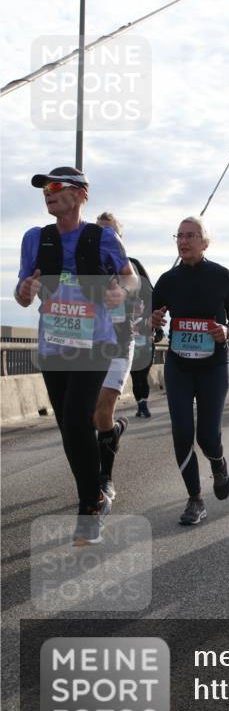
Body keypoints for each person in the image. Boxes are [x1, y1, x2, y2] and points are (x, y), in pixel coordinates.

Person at [15, 167, 137, 545]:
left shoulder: (103, 239)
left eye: (55, 187)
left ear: (81, 193)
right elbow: (22, 295)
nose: (48, 193)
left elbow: (130, 278)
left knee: (76, 419)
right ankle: (95, 493)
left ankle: (90, 507)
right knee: (69, 428)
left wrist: (121, 292)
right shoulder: (35, 239)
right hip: (54, 346)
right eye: (44, 188)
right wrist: (26, 288)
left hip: (96, 343)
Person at [151, 217, 229, 525]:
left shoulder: (220, 276)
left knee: (207, 436)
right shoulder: (167, 280)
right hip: (178, 365)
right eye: (180, 236)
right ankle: (194, 499)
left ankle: (218, 464)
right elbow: (152, 324)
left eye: (191, 236)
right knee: (182, 433)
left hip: (213, 366)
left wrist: (226, 331)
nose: (184, 241)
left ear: (205, 243)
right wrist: (153, 323)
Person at [94, 212, 148, 501]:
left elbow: (144, 289)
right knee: (91, 415)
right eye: (99, 231)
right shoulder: (86, 263)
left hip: (119, 342)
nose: (105, 237)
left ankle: (105, 478)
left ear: (120, 238)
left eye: (110, 232)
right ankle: (112, 431)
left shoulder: (131, 266)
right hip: (88, 346)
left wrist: (152, 321)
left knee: (102, 408)